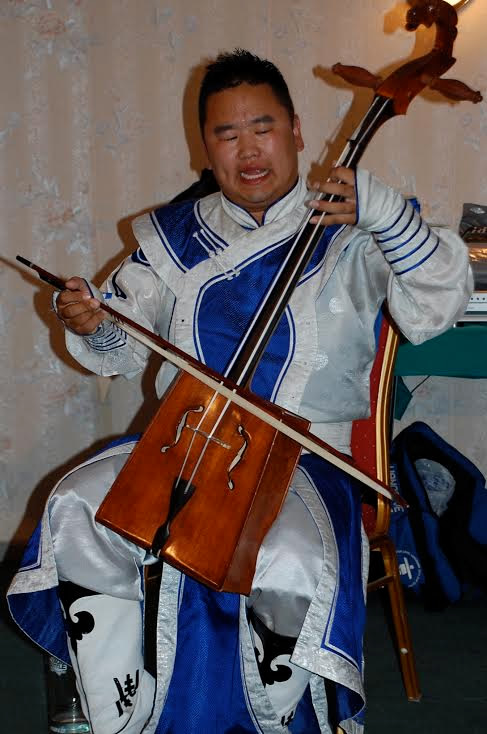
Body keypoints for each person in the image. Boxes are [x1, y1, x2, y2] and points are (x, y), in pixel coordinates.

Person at [8, 49, 471, 734]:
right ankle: (119, 707)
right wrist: (92, 319)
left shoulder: (354, 225)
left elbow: (437, 306)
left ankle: (273, 720)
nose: (247, 149)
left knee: (280, 553)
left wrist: (381, 213)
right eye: (226, 134)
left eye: (262, 127)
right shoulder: (172, 237)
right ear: (206, 146)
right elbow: (120, 344)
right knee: (78, 503)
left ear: (294, 131)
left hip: (307, 459)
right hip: (183, 443)